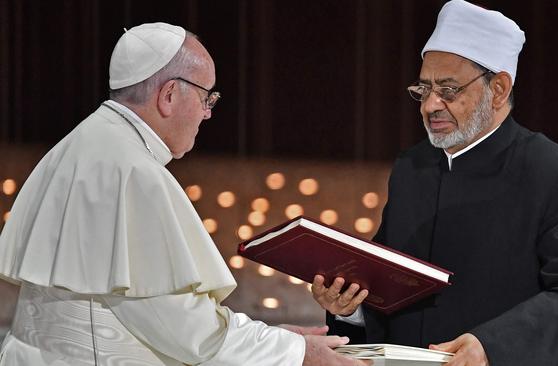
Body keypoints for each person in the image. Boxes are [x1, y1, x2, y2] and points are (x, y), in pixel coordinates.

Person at [0, 22, 367, 366]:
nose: (208, 114)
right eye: (208, 98)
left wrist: (276, 339)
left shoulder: (80, 145)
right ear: (170, 95)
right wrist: (295, 352)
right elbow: (188, 331)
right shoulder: (133, 172)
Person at [312, 1, 558, 365]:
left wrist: (492, 345)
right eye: (424, 89)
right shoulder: (412, 169)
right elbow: (390, 285)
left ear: (499, 89)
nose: (430, 106)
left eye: (449, 90)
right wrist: (350, 308)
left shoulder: (557, 174)